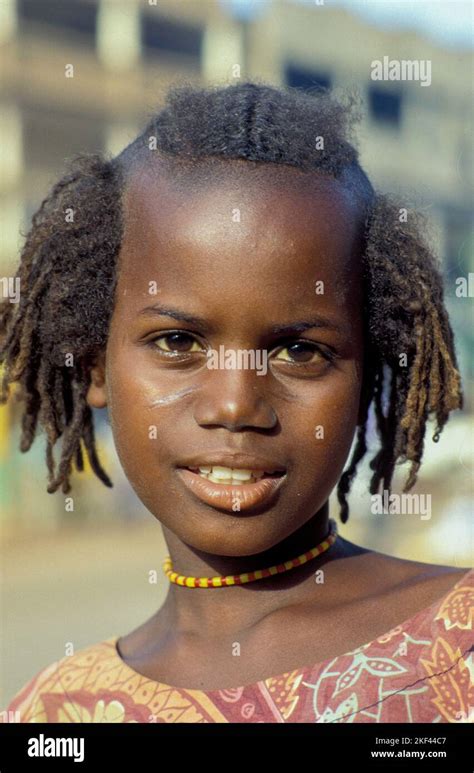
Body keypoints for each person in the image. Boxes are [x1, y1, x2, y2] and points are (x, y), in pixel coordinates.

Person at [0, 82, 471, 724]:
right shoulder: (54, 715)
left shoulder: (458, 647)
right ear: (93, 363)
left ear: (368, 374)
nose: (235, 404)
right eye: (177, 341)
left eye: (299, 351)